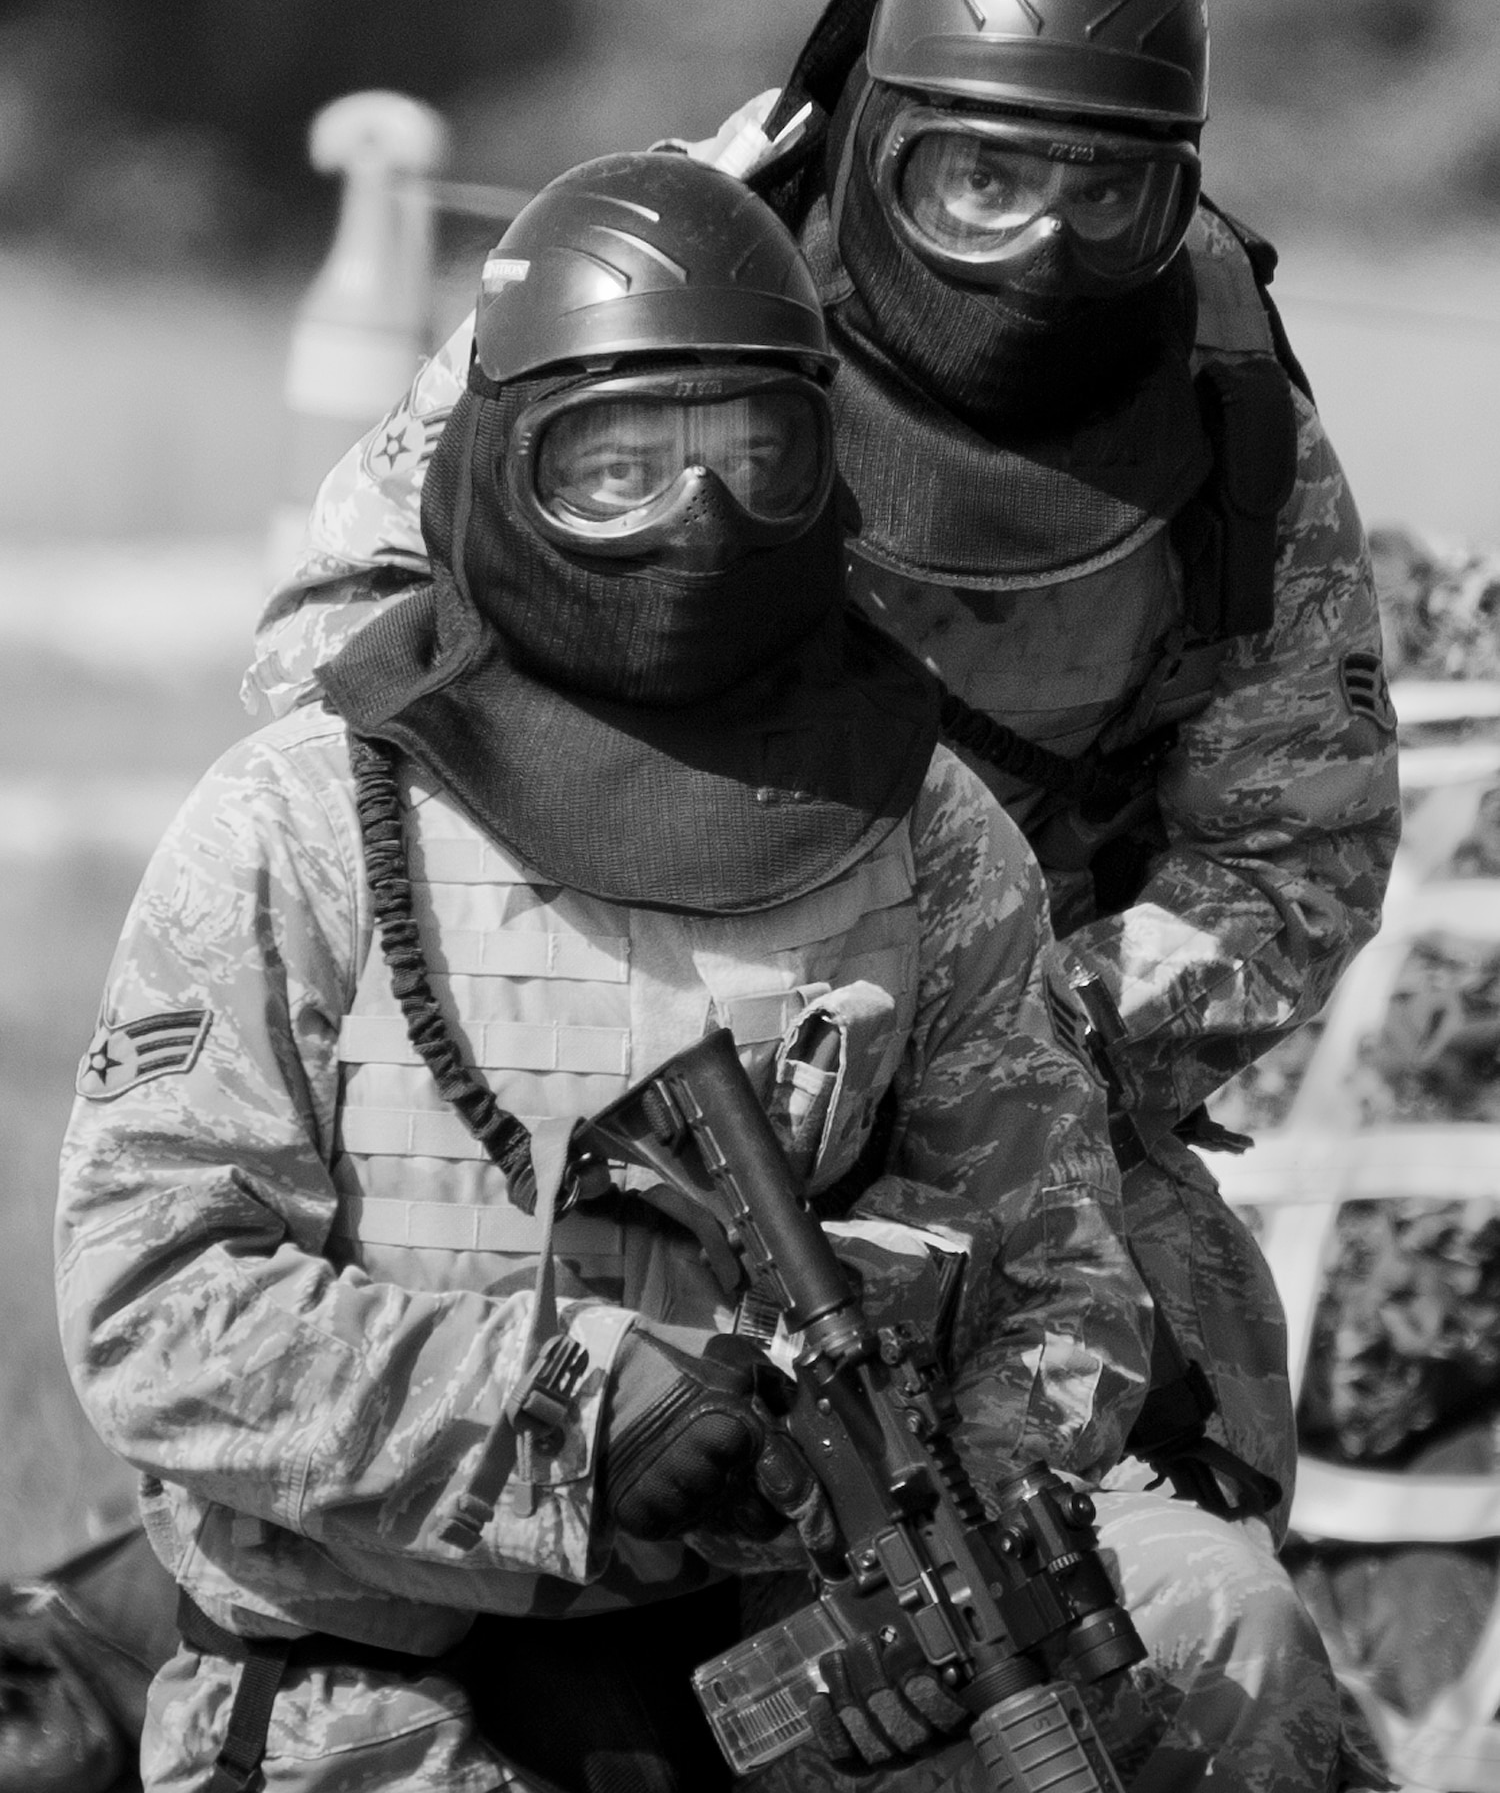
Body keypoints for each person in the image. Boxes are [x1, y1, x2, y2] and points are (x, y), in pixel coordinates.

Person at [55, 153, 1357, 1793]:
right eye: (618, 465)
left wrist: (922, 1520)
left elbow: (1064, 1284)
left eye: (754, 456)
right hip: (375, 1681)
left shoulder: (923, 828)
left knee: (1213, 1631)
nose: (699, 518)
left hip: (796, 1643)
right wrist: (576, 1408)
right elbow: (152, 1303)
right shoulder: (307, 816)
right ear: (498, 467)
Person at [245, 0, 1401, 1538]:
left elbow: (1302, 849)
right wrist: (555, 1001)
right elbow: (331, 665)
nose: (1046, 246)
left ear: (1180, 188)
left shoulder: (1223, 404)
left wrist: (993, 1036)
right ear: (877, 132)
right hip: (566, 1045)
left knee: (1192, 1562)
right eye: (981, 179)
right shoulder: (673, 270)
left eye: (1107, 193)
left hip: (1010, 1068)